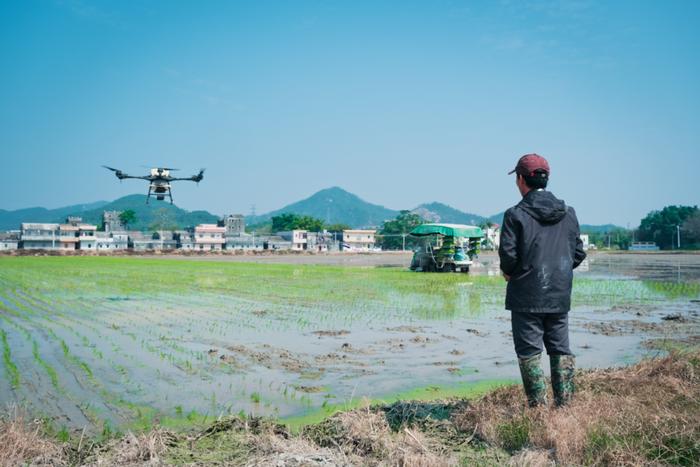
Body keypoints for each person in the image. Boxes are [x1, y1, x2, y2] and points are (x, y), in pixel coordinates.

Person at [499, 154, 586, 407]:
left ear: (520, 179)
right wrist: (559, 272)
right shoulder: (568, 213)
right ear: (545, 179)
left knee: (528, 352)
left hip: (526, 296)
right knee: (560, 349)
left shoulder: (515, 214)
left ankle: (538, 411)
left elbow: (508, 256)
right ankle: (565, 409)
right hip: (558, 295)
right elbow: (578, 252)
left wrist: (510, 273)